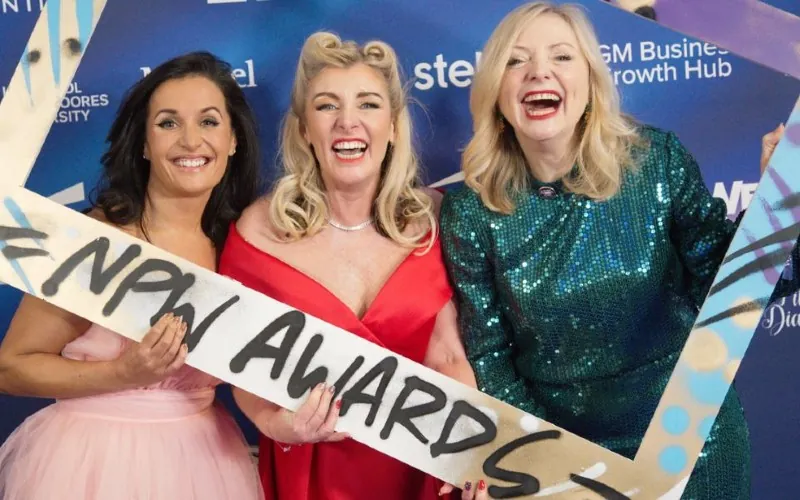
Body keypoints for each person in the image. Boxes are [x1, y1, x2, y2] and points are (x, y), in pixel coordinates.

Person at [439, 2, 799, 499]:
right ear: (495, 93)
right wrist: (552, 467)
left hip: (692, 438)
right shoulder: (471, 213)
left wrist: (779, 207)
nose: (538, 70)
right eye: (516, 60)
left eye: (561, 57)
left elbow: (734, 289)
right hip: (565, 458)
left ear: (590, 83)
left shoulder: (657, 162)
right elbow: (490, 358)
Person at [219, 32, 476, 500]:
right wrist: (278, 424)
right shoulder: (258, 232)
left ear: (394, 126)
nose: (347, 122)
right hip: (311, 469)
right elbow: (239, 362)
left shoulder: (436, 221)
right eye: (326, 106)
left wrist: (467, 454)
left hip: (419, 468)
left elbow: (449, 355)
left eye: (369, 104)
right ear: (303, 130)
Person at [0, 52, 264, 499]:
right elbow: (11, 367)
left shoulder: (240, 247)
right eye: (167, 123)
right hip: (93, 465)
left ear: (234, 140)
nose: (190, 141)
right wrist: (122, 372)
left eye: (209, 122)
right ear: (143, 143)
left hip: (207, 462)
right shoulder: (95, 242)